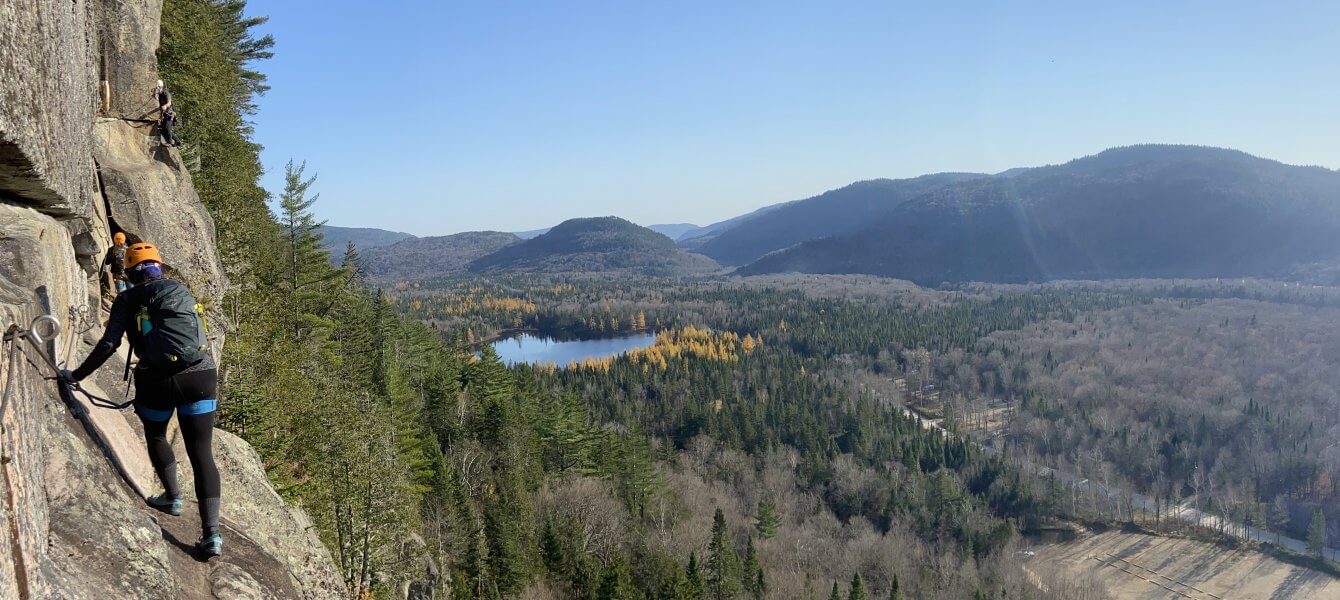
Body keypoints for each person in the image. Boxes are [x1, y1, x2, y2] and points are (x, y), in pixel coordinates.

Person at [61, 242, 223, 557]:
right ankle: (212, 535)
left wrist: (76, 375)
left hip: (156, 380)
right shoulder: (179, 288)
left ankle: (173, 497)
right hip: (200, 376)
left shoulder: (127, 298)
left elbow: (109, 344)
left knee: (157, 433)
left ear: (132, 272)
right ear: (159, 267)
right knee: (202, 453)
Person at [154, 79, 180, 146]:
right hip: (165, 115)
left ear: (160, 87)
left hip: (169, 114)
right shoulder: (160, 95)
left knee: (167, 128)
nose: (156, 89)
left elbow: (169, 102)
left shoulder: (166, 93)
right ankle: (177, 141)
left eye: (157, 87)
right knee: (163, 129)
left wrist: (165, 106)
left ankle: (169, 142)